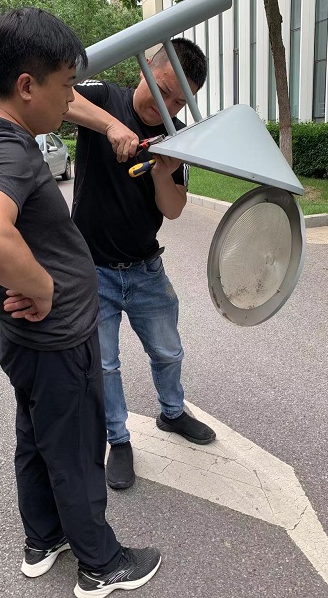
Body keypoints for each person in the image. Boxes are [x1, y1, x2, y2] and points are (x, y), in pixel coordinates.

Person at [0, 7, 161, 598]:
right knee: (74, 450)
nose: (72, 98)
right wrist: (45, 287)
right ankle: (101, 565)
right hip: (56, 342)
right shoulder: (10, 150)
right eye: (67, 85)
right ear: (27, 86)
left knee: (35, 438)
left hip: (27, 343)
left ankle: (43, 538)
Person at [65, 38, 216, 491]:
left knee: (169, 352)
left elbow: (174, 209)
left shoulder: (178, 135)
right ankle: (119, 439)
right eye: (162, 89)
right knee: (105, 365)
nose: (166, 105)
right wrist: (112, 127)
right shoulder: (103, 96)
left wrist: (163, 174)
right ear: (146, 68)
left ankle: (172, 413)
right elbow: (61, 98)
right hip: (93, 270)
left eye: (179, 101)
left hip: (147, 270)